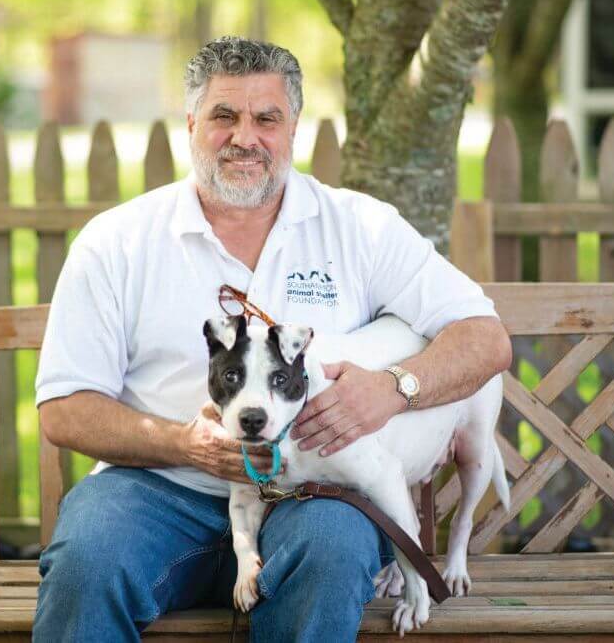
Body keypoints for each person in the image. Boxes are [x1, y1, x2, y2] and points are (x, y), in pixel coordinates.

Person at [32, 36, 512, 641]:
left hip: (314, 490)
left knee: (332, 553)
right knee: (87, 561)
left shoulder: (360, 228)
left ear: (293, 129)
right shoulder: (117, 242)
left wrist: (394, 389)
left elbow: (485, 337)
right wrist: (186, 444)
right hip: (155, 487)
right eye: (223, 116)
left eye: (267, 118)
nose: (245, 137)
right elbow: (64, 408)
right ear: (190, 125)